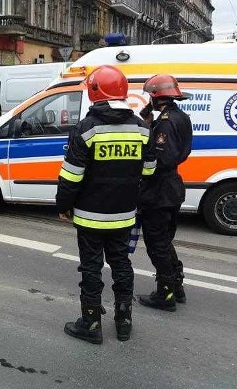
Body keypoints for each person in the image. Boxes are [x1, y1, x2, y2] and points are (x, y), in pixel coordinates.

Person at [56, 65, 156, 344]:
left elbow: (71, 176)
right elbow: (149, 171)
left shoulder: (87, 129)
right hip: (124, 215)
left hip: (89, 216)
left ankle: (90, 323)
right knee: (121, 263)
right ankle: (123, 321)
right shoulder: (141, 128)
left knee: (91, 267)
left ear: (94, 92)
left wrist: (63, 205)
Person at [137, 74, 192, 311]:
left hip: (159, 191)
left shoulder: (166, 123)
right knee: (164, 241)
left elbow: (162, 159)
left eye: (150, 95)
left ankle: (165, 294)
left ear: (156, 96)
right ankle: (176, 285)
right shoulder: (181, 117)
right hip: (172, 189)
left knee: (156, 243)